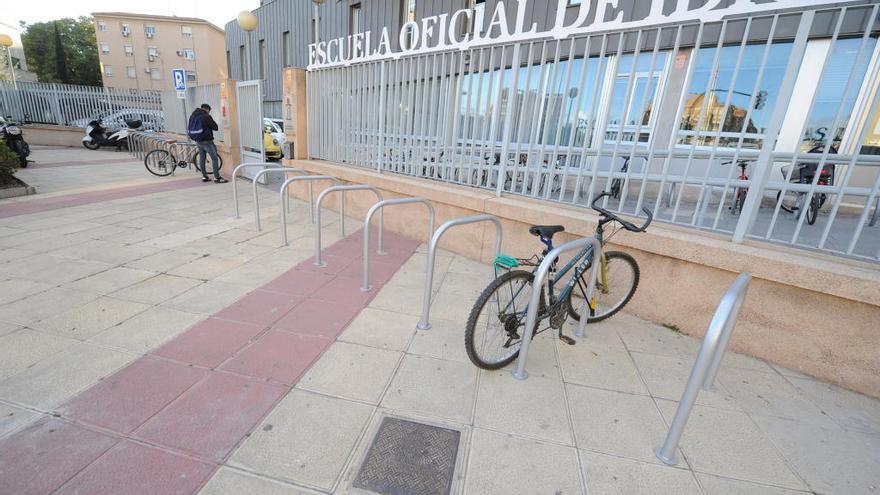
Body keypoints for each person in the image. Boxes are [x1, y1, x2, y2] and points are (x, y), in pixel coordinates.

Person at [188, 103, 227, 183]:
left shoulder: (193, 115)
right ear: (207, 109)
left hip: (198, 141)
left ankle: (204, 177)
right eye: (209, 111)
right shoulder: (206, 116)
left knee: (202, 158)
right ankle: (217, 177)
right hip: (207, 141)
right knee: (215, 159)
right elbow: (215, 127)